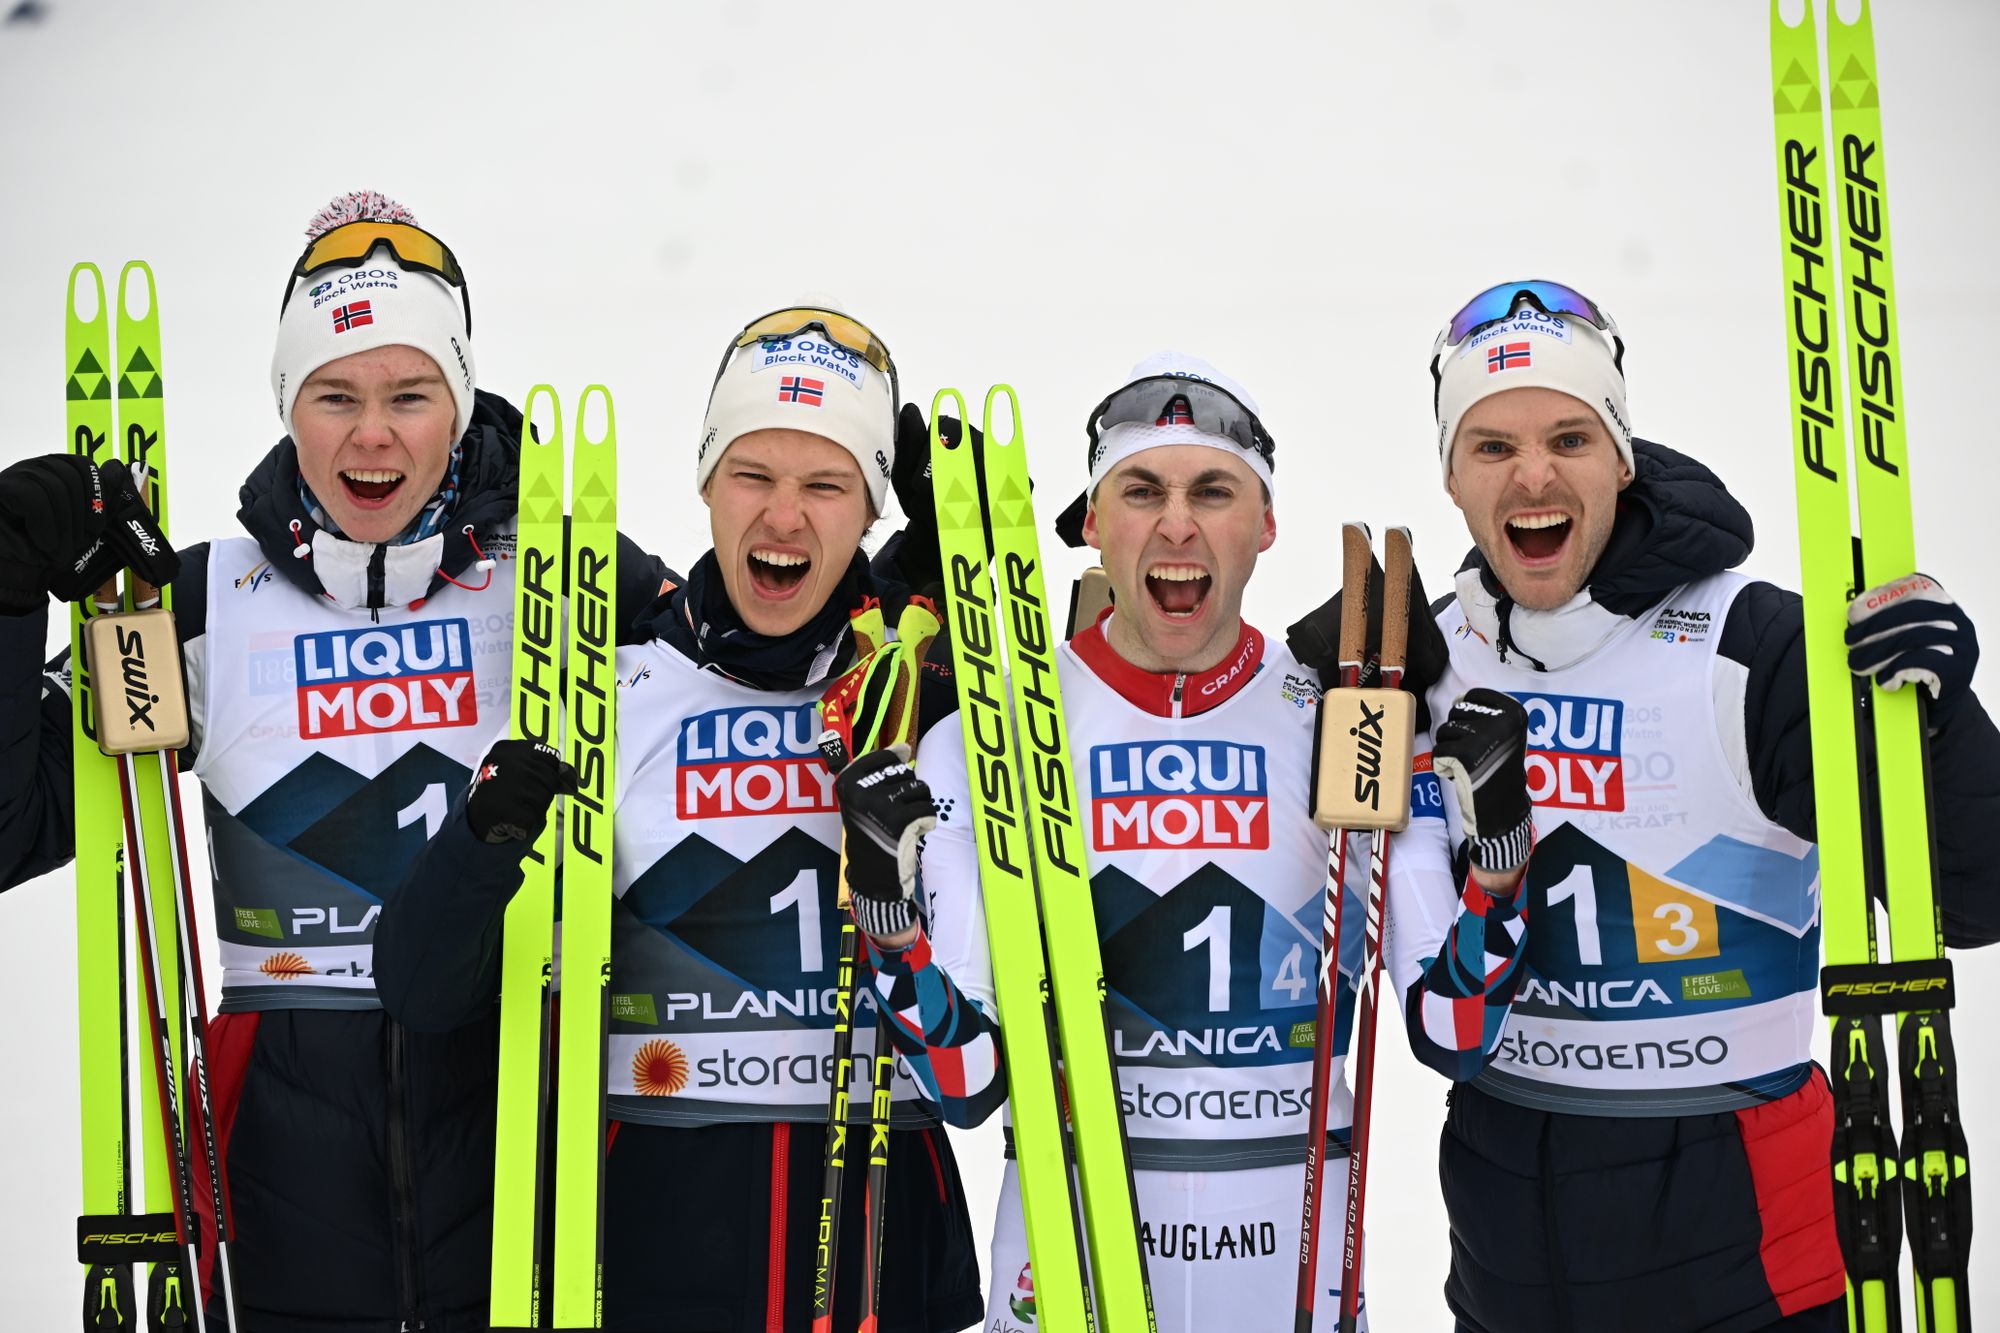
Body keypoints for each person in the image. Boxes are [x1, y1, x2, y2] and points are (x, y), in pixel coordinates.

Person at [0, 190, 673, 1330]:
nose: (373, 434)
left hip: (530, 1149)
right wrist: (11, 594)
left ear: (458, 405)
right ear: (287, 406)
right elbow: (13, 826)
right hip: (282, 1184)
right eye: (335, 395)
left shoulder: (564, 582)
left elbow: (759, 680)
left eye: (411, 395)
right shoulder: (200, 605)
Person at [1367, 279, 2000, 1333]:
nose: (1532, 474)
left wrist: (1937, 721)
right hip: (1506, 1252)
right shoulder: (1424, 659)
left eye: (1569, 436)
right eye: (1489, 446)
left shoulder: (1748, 645)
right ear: (1448, 476)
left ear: (1619, 455)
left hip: (1745, 1247)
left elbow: (1970, 898)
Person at [373, 306, 986, 1332]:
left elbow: (972, 1086)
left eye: (827, 484)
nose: (783, 517)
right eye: (753, 474)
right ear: (704, 482)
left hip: (880, 1254)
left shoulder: (922, 707)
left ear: (869, 510)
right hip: (650, 1245)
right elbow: (421, 989)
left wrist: (893, 925)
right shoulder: (613, 694)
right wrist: (480, 839)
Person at [854, 352, 1398, 1331]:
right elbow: (966, 1081)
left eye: (1213, 491)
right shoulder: (995, 728)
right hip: (1069, 1264)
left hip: (1285, 1251)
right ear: (1091, 526)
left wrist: (1493, 851)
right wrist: (894, 935)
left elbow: (1434, 1002)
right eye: (1140, 490)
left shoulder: (1337, 721)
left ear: (1265, 525)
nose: (1176, 523)